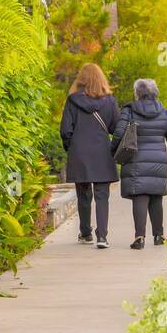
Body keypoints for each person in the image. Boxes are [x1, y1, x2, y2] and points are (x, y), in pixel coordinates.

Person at [111, 78, 167, 250]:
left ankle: (139, 237)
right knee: (156, 197)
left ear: (137, 93)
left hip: (136, 160)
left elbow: (118, 133)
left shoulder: (129, 110)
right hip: (159, 161)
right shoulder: (164, 112)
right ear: (155, 93)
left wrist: (111, 152)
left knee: (140, 197)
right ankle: (159, 235)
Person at [59, 63, 119, 249]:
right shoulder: (110, 101)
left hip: (80, 153)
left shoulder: (72, 100)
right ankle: (102, 236)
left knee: (83, 195)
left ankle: (85, 233)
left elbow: (65, 130)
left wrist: (73, 147)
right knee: (102, 195)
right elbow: (116, 128)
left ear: (82, 79)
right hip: (102, 152)